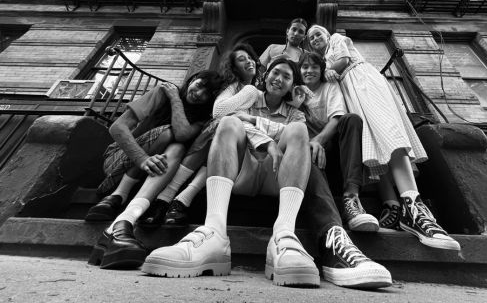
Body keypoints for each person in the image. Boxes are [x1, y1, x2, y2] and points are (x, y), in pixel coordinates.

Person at [141, 58, 320, 287]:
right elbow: (232, 118)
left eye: (287, 77)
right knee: (228, 123)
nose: (279, 79)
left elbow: (295, 135)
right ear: (265, 75)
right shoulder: (249, 96)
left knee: (298, 130)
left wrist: (254, 120)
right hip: (240, 171)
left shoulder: (295, 113)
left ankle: (284, 235)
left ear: (292, 86)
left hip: (277, 177)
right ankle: (214, 232)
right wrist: (269, 142)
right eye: (276, 72)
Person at [306, 25, 460, 251]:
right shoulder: (322, 63)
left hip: (361, 81)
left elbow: (344, 60)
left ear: (327, 35)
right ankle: (392, 206)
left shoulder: (336, 40)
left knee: (387, 132)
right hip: (350, 91)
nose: (315, 38)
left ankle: (413, 206)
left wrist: (327, 69)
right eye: (311, 38)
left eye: (318, 34)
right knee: (374, 145)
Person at [86, 71, 223, 269]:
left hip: (152, 175)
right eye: (199, 85)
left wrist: (176, 99)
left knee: (177, 147)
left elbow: (182, 133)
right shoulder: (161, 92)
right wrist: (142, 159)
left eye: (207, 94)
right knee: (166, 134)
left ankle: (123, 221)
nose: (199, 93)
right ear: (192, 80)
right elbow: (118, 127)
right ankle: (120, 195)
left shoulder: (201, 119)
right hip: (118, 160)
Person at [139, 43, 262, 227]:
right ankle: (167, 201)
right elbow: (219, 111)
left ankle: (174, 199)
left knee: (227, 130)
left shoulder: (260, 93)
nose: (249, 61)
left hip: (246, 146)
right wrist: (249, 93)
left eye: (251, 58)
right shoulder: (235, 88)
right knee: (221, 127)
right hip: (213, 140)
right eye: (242, 59)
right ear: (235, 68)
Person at [298, 51, 392, 288]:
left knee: (351, 119)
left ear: (322, 70)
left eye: (314, 67)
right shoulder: (296, 91)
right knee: (304, 145)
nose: (309, 71)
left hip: (333, 150)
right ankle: (334, 236)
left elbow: (337, 118)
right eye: (304, 67)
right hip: (308, 154)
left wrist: (318, 140)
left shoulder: (329, 86)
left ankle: (351, 199)